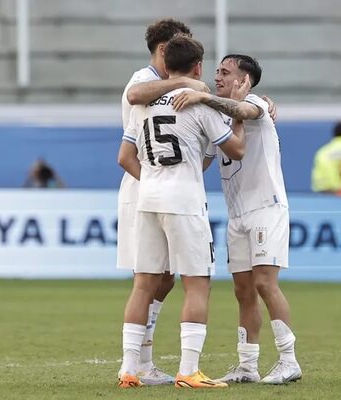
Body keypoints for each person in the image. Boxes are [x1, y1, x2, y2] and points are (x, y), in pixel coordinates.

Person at [116, 35, 246, 389]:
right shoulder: (197, 104)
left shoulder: (142, 104)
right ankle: (188, 370)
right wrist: (236, 114)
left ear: (164, 62)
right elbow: (236, 150)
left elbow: (124, 157)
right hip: (184, 200)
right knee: (196, 283)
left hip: (148, 197)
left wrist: (156, 178)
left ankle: (129, 370)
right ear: (198, 67)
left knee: (143, 285)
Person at [172, 54, 302, 384]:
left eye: (225, 72)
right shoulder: (219, 117)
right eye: (216, 71)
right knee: (243, 290)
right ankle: (248, 364)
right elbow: (203, 161)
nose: (217, 76)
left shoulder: (256, 104)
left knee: (264, 283)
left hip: (266, 208)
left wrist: (202, 96)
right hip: (237, 215)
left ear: (244, 80)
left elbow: (243, 110)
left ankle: (289, 360)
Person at [116, 18, 209, 386]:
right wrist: (185, 81)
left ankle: (140, 362)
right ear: (163, 49)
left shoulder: (164, 87)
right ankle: (140, 362)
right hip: (147, 188)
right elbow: (135, 99)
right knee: (152, 278)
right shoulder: (143, 80)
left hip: (155, 188)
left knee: (161, 279)